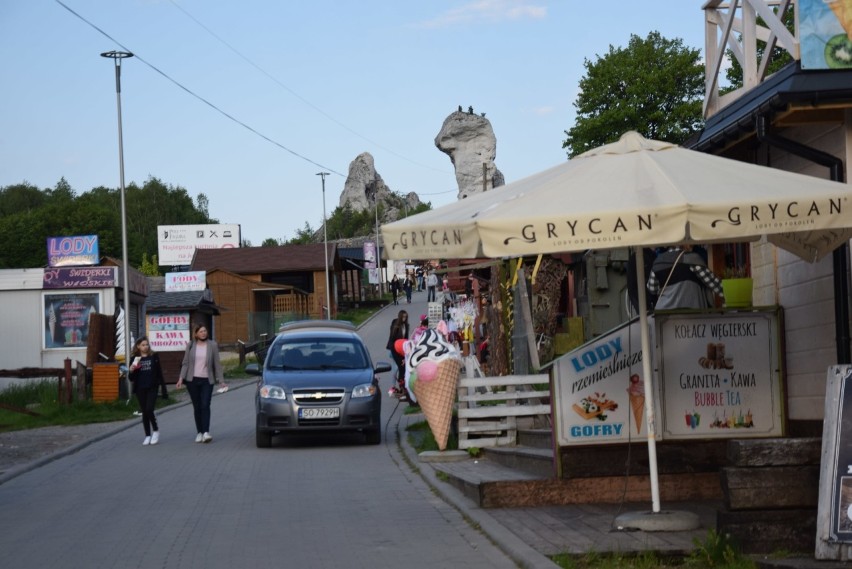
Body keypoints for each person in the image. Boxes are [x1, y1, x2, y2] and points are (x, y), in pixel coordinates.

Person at [177, 324, 227, 443]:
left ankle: (206, 432)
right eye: (201, 331)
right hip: (192, 380)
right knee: (197, 406)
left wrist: (221, 381)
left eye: (205, 331)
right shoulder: (191, 345)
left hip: (207, 380)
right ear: (196, 334)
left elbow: (217, 364)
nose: (203, 333)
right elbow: (185, 363)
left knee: (205, 405)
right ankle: (199, 432)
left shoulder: (212, 345)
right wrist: (180, 378)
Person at [647, 245, 724, 310]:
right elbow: (717, 286)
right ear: (685, 243)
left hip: (664, 317)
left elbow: (652, 289)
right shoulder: (691, 259)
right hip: (690, 317)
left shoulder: (658, 261)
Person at [128, 336, 167, 446]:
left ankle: (155, 430)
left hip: (152, 387)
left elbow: (159, 373)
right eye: (143, 345)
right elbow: (131, 378)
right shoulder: (135, 359)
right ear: (138, 346)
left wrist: (163, 388)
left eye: (147, 344)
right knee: (144, 412)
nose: (145, 347)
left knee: (149, 408)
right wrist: (131, 370)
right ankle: (147, 435)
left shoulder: (154, 356)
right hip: (140, 388)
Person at [385, 310, 410, 398]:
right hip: (394, 348)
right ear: (400, 316)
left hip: (401, 348)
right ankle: (394, 386)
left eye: (406, 317)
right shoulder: (395, 323)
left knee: (401, 367)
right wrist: (394, 348)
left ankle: (401, 385)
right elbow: (392, 337)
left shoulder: (406, 325)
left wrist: (405, 353)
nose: (404, 318)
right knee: (396, 368)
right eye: (403, 317)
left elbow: (406, 338)